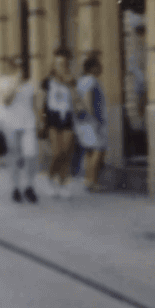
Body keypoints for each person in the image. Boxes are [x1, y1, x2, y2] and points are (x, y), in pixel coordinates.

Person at [0, 57, 42, 204]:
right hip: (11, 124)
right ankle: (16, 187)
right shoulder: (5, 82)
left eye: (21, 66)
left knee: (31, 155)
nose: (19, 69)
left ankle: (29, 186)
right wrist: (15, 84)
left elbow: (36, 104)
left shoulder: (31, 83)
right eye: (16, 66)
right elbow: (6, 101)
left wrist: (40, 121)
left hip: (28, 123)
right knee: (15, 157)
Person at [39, 51, 79, 199]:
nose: (62, 67)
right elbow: (41, 103)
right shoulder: (47, 82)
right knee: (57, 152)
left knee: (67, 152)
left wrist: (71, 84)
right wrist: (41, 122)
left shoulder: (71, 81)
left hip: (67, 117)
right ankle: (50, 179)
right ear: (54, 66)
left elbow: (76, 100)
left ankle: (63, 183)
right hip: (53, 118)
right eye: (59, 64)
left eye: (64, 64)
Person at [75, 53, 109, 191]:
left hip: (81, 121)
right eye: (99, 66)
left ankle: (88, 180)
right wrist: (93, 118)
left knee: (89, 151)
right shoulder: (91, 81)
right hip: (92, 121)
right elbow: (88, 99)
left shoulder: (81, 81)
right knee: (98, 150)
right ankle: (92, 181)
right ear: (93, 68)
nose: (101, 68)